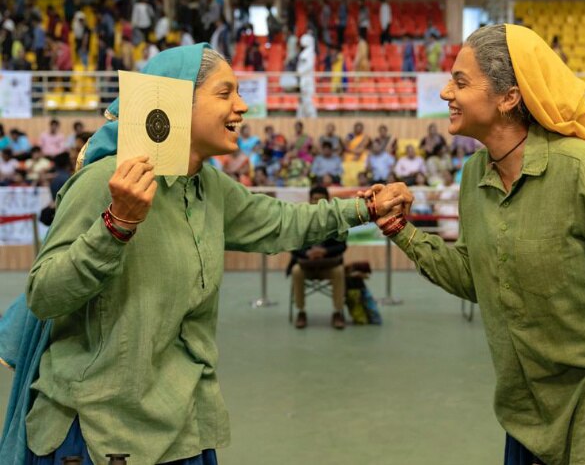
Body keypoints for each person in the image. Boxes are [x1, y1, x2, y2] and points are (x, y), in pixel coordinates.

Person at [14, 44, 409, 465]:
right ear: (175, 104)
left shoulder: (208, 188)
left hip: (185, 425)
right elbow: (44, 295)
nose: (241, 106)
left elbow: (281, 222)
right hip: (100, 434)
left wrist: (365, 207)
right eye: (225, 93)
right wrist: (117, 225)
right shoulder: (102, 183)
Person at [362, 24, 585, 465]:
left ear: (509, 97)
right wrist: (402, 231)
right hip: (532, 407)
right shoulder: (475, 175)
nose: (444, 93)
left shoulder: (582, 168)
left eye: (460, 81)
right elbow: (479, 279)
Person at [288, 186, 348, 329]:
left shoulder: (336, 220)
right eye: (315, 199)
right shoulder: (300, 220)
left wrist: (324, 251)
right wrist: (308, 253)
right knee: (296, 271)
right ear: (309, 200)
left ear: (327, 201)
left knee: (339, 271)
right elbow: (293, 246)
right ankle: (301, 312)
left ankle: (338, 312)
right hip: (306, 265)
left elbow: (342, 246)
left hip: (329, 265)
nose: (317, 202)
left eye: (321, 199)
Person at [297, 32, 317, 117]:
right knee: (302, 101)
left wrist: (300, 71)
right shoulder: (305, 53)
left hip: (307, 80)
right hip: (303, 79)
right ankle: (300, 117)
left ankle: (313, 117)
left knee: (307, 101)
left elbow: (308, 66)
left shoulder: (310, 54)